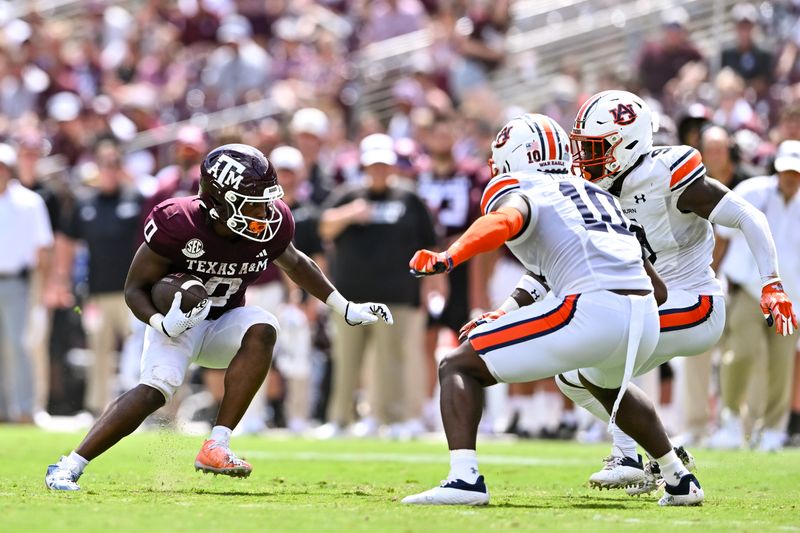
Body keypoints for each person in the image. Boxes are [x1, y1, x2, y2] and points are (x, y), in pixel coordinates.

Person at [45, 144, 393, 491]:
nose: (265, 211)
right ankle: (68, 465)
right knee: (154, 393)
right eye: (252, 202)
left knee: (263, 326)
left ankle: (217, 444)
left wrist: (344, 306)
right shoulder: (178, 221)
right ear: (219, 201)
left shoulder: (272, 224)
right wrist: (161, 323)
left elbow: (296, 262)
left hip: (223, 323)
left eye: (266, 201)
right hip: (175, 325)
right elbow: (135, 288)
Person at [402, 113, 703, 507]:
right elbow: (655, 287)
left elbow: (505, 220)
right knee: (604, 384)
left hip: (592, 307)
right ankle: (680, 480)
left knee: (458, 365)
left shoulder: (524, 186)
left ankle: (464, 480)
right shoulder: (594, 193)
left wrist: (449, 256)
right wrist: (509, 311)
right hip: (643, 313)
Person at [556, 90, 795, 494]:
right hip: (654, 305)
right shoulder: (599, 187)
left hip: (695, 303)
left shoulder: (667, 175)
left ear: (627, 143)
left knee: (599, 356)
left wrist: (771, 282)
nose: (586, 159)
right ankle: (665, 457)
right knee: (569, 374)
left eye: (596, 148)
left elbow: (748, 217)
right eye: (584, 148)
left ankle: (629, 456)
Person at [317, 133, 437, 438]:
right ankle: (340, 419)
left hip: (396, 295)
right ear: (364, 166)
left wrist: (431, 287)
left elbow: (429, 245)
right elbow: (324, 227)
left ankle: (393, 420)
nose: (379, 171)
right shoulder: (348, 195)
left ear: (393, 166)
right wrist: (350, 214)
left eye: (384, 165)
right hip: (351, 298)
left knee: (392, 361)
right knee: (346, 360)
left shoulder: (409, 199)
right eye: (374, 165)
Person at [708, 140, 800, 451]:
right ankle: (731, 420)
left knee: (781, 362)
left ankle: (773, 429)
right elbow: (721, 238)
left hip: (792, 297)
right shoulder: (752, 191)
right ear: (776, 168)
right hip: (750, 288)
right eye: (786, 170)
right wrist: (710, 278)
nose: (790, 177)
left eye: (796, 172)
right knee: (742, 351)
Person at [0, 143, 53, 424]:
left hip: (19, 283)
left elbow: (43, 248)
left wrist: (43, 288)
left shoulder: (30, 201)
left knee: (20, 345)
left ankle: (23, 409)